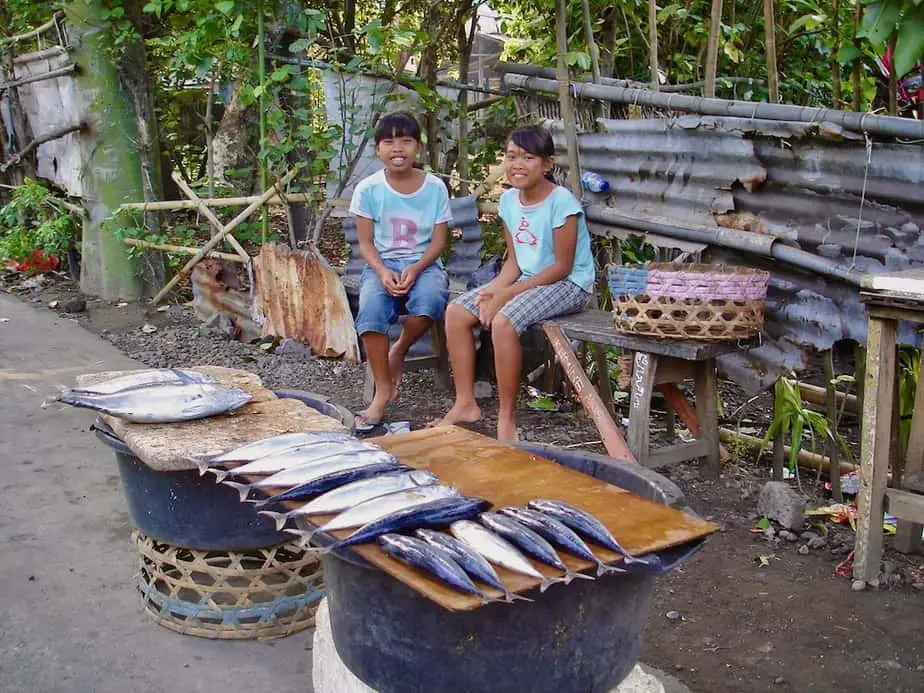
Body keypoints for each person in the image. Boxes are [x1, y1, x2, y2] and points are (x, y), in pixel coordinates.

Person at [429, 124, 594, 441]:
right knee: (456, 312)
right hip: (529, 279)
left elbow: (562, 267)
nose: (517, 164)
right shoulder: (508, 201)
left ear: (547, 164)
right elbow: (515, 262)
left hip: (570, 284)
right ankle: (465, 404)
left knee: (503, 322)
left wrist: (507, 295)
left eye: (528, 157)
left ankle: (506, 419)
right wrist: (494, 289)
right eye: (511, 156)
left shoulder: (562, 203)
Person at [350, 111, 452, 431]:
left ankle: (400, 349)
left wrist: (417, 266)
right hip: (382, 265)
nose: (398, 148)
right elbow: (365, 244)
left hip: (425, 264)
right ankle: (382, 392)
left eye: (406, 141)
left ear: (418, 148)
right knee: (369, 312)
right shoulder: (367, 189)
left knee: (431, 302)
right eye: (389, 141)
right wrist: (381, 271)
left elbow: (439, 241)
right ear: (378, 149)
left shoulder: (434, 187)